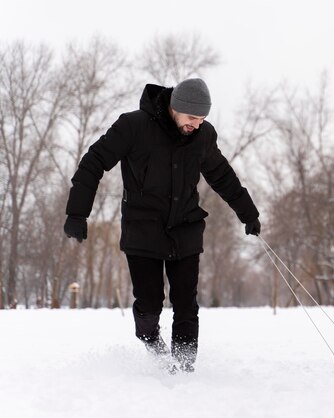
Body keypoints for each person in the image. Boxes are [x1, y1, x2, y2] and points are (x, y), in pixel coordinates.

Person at [63, 78, 261, 372]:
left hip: (185, 226)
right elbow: (94, 161)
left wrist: (248, 213)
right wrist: (77, 213)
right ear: (175, 107)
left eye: (202, 118)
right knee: (150, 303)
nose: (196, 124)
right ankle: (150, 338)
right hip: (143, 228)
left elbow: (222, 176)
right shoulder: (133, 126)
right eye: (192, 117)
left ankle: (184, 367)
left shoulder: (203, 136)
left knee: (186, 304)